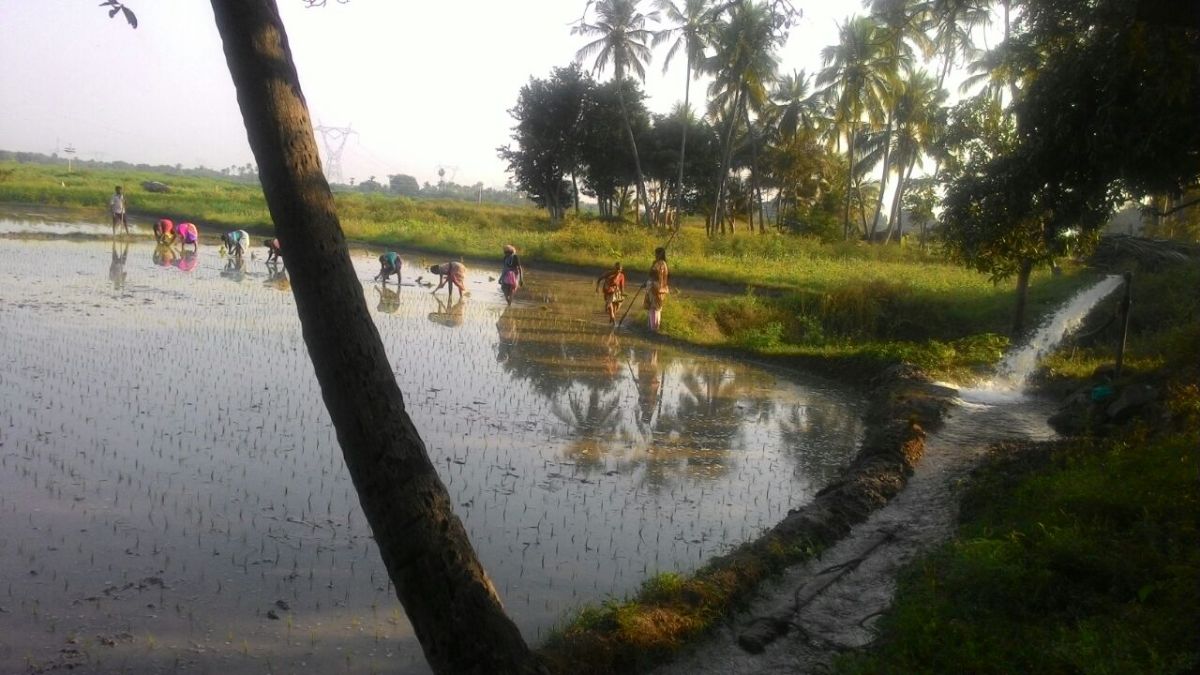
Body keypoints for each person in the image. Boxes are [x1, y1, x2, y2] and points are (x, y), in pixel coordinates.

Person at [644, 247, 670, 332]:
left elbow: (653, 274)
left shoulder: (660, 264)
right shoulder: (663, 263)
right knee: (656, 308)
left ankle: (653, 328)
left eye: (656, 254)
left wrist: (653, 265)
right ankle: (653, 327)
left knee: (654, 308)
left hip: (656, 288)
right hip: (659, 288)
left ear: (659, 254)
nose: (655, 255)